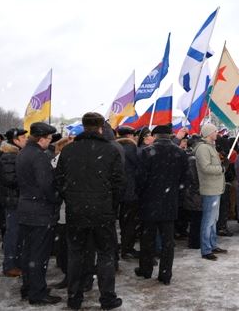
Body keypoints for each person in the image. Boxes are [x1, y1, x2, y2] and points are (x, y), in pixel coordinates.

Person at [55, 113, 124, 310]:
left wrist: (72, 198)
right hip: (101, 211)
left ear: (84, 127)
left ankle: (74, 297)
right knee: (105, 254)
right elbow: (119, 183)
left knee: (76, 254)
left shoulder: (69, 151)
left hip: (77, 211)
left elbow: (59, 181)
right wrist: (110, 204)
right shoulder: (110, 150)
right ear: (101, 127)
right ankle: (107, 298)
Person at [134, 124, 188, 285]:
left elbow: (140, 179)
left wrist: (141, 195)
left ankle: (146, 269)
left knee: (147, 238)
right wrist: (177, 195)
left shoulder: (147, 152)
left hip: (149, 202)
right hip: (170, 202)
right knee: (168, 241)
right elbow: (185, 179)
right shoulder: (179, 152)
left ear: (155, 136)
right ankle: (165, 274)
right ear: (170, 135)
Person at [17, 122, 61, 305]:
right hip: (40, 211)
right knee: (39, 254)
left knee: (28, 252)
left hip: (26, 208)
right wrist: (56, 198)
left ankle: (29, 287)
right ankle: (37, 292)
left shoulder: (23, 153)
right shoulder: (39, 157)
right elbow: (46, 185)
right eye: (49, 138)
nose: (49, 142)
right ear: (42, 138)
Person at [0, 127, 27, 277]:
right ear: (15, 141)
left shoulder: (15, 155)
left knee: (17, 234)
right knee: (13, 234)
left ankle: (15, 263)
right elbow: (10, 179)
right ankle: (10, 265)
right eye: (23, 138)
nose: (26, 140)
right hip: (13, 200)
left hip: (15, 200)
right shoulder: (9, 156)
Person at [194, 123, 226, 260]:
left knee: (214, 219)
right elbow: (206, 168)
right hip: (209, 189)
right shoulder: (202, 149)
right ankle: (206, 249)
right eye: (215, 131)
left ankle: (212, 244)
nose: (217, 133)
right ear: (208, 133)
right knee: (208, 220)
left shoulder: (210, 147)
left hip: (216, 188)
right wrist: (222, 169)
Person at [115, 125, 140, 260]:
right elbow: (139, 167)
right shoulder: (131, 148)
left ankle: (123, 247)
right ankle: (127, 248)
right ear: (130, 135)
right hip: (130, 190)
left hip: (118, 190)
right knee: (130, 222)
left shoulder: (115, 147)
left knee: (123, 222)